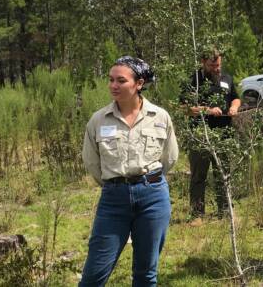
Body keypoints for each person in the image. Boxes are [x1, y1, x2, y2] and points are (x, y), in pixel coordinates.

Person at [80, 56, 179, 287]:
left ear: (139, 84)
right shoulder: (99, 120)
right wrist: (116, 184)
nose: (113, 85)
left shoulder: (160, 117)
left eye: (121, 80)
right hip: (114, 200)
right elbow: (92, 163)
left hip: (153, 197)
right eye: (111, 80)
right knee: (94, 275)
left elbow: (169, 157)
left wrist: (148, 181)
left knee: (146, 273)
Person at [180, 48, 240, 223]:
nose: (217, 68)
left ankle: (225, 212)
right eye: (212, 65)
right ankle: (197, 215)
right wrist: (207, 110)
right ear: (203, 63)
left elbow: (236, 97)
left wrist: (234, 107)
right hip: (201, 136)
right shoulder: (193, 81)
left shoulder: (226, 79)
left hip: (224, 136)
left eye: (218, 64)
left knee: (223, 174)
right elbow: (184, 108)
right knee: (199, 176)